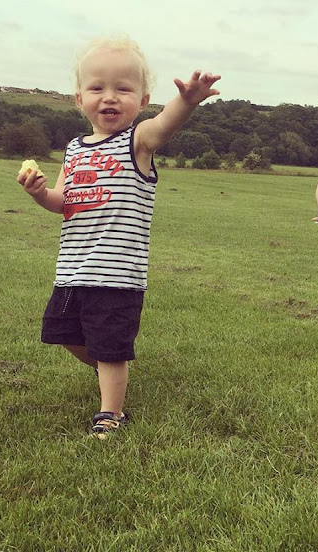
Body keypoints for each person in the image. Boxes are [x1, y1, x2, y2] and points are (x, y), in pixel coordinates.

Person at [17, 37, 221, 438]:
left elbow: (164, 125)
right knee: (65, 335)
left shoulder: (137, 141)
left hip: (117, 275)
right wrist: (39, 193)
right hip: (73, 270)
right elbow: (62, 201)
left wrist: (187, 101)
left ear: (142, 100)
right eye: (97, 87)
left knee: (109, 347)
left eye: (123, 88)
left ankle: (111, 413)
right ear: (80, 99)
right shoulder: (74, 150)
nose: (109, 97)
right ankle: (112, 370)